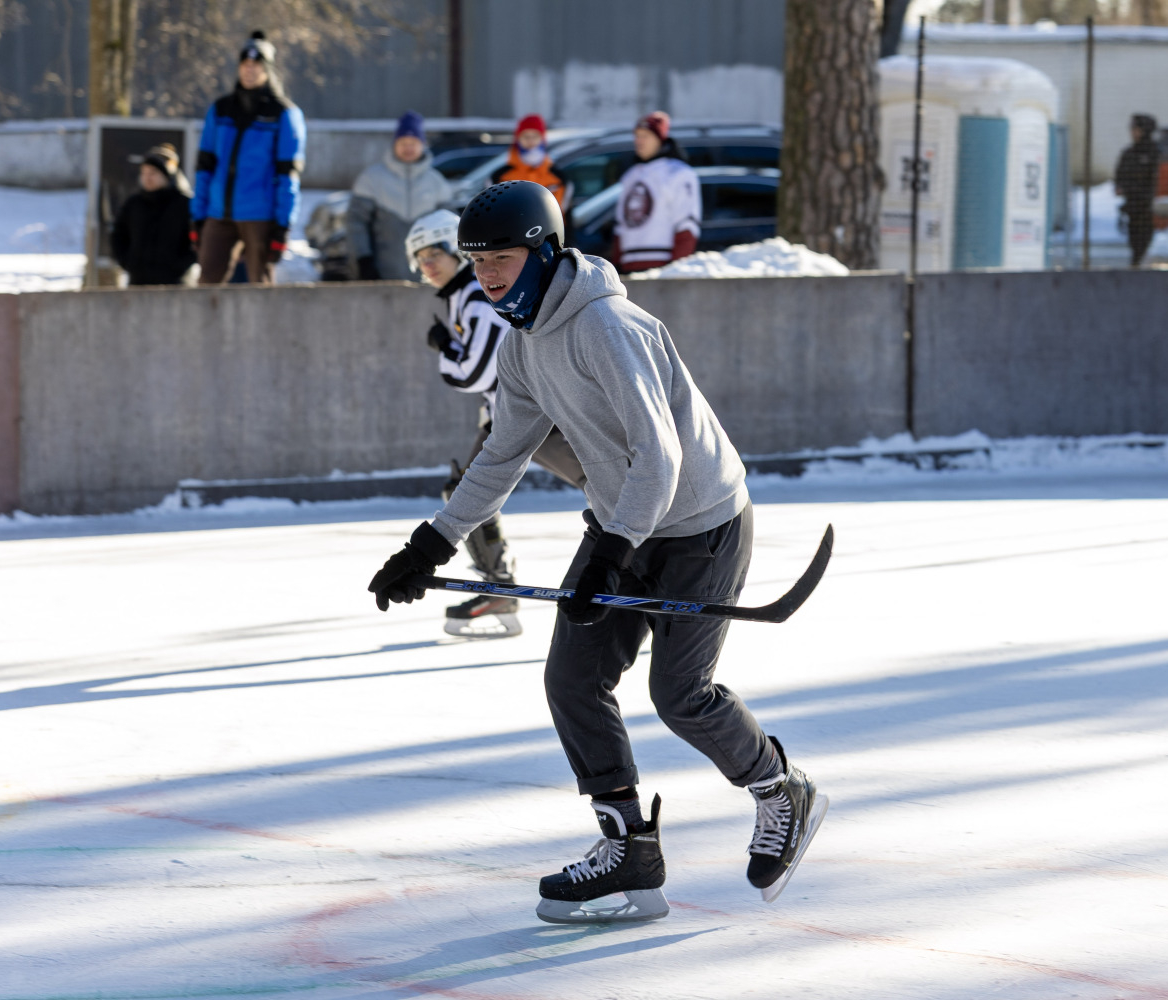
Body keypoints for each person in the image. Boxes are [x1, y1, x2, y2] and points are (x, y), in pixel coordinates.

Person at [368, 181, 827, 923]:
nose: (485, 276)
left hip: (700, 522)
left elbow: (661, 454)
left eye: (502, 260)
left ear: (544, 253)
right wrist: (431, 543)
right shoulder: (522, 343)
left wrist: (613, 553)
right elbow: (500, 456)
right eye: (476, 261)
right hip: (621, 523)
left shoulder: (606, 324)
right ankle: (629, 853)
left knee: (681, 695)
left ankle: (783, 790)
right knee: (573, 681)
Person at [403, 208, 587, 637]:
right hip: (512, 412)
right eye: (419, 258)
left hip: (537, 413)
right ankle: (500, 589)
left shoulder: (475, 293)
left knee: (611, 488)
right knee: (465, 491)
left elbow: (476, 372)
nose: (427, 265)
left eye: (434, 252)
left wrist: (448, 351)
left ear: (457, 249)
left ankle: (654, 579)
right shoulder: (464, 293)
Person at [191, 30, 306, 285]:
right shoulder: (221, 110)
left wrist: (282, 225)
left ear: (268, 70)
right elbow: (205, 165)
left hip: (259, 214)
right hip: (218, 212)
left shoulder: (284, 114)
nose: (249, 70)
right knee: (206, 283)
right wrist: (198, 214)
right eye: (245, 64)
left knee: (259, 288)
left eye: (256, 65)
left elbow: (288, 174)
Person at [347, 111, 452, 281]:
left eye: (413, 142)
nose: (408, 148)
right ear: (394, 144)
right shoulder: (371, 179)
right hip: (381, 277)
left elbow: (449, 229)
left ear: (422, 144)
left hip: (427, 279)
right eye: (403, 142)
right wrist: (362, 260)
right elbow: (356, 224)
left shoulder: (437, 183)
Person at [611, 111, 701, 273]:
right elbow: (621, 227)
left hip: (661, 266)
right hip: (629, 266)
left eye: (645, 135)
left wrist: (675, 271)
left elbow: (687, 225)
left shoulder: (679, 173)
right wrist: (617, 266)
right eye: (637, 136)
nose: (639, 141)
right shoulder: (630, 175)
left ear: (660, 138)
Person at [111, 144, 197, 286]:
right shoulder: (133, 204)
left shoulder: (184, 204)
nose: (147, 178)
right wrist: (128, 263)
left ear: (166, 175)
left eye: (153, 173)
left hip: (175, 284)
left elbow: (196, 240)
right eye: (144, 173)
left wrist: (180, 266)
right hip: (138, 282)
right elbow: (118, 236)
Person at [490, 114, 572, 209]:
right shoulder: (499, 176)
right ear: (518, 139)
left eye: (535, 136)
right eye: (526, 136)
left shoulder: (559, 177)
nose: (530, 141)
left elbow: (565, 214)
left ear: (542, 139)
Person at [1114, 113, 1160, 267]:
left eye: (1137, 129)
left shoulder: (1155, 153)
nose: (1133, 133)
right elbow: (1119, 177)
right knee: (1135, 245)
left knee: (1147, 246)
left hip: (1149, 211)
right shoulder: (1129, 154)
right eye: (1132, 129)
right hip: (1133, 209)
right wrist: (1122, 188)